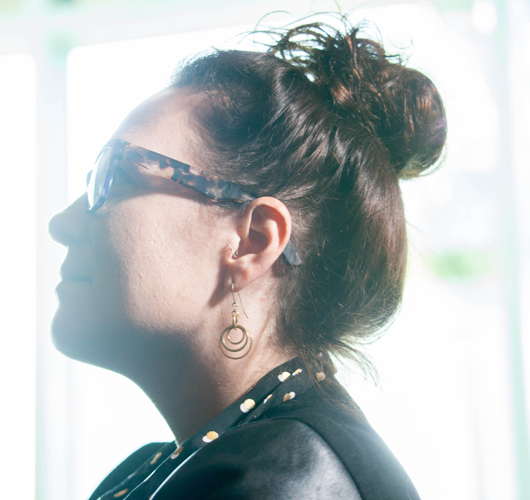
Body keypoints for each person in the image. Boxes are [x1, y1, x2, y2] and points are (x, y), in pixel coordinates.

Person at [48, 16, 447, 500]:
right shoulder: (167, 468)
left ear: (253, 241)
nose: (62, 223)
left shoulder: (284, 480)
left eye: (116, 178)